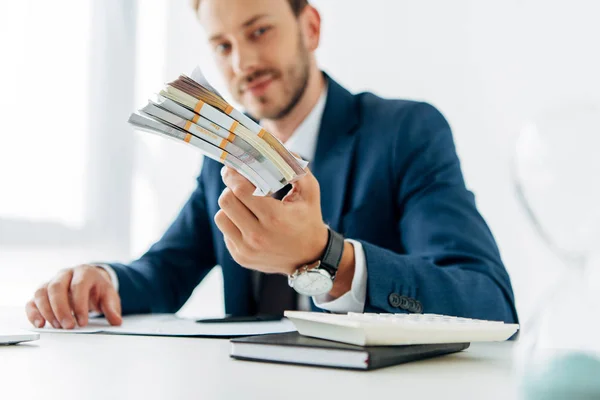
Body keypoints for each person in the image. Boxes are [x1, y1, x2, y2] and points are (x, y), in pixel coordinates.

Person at [25, 0, 518, 330]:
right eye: (223, 45)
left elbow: (489, 304)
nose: (242, 62)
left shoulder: (404, 133)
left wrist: (329, 257)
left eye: (259, 31)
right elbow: (165, 272)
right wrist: (99, 281)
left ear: (311, 26)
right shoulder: (220, 161)